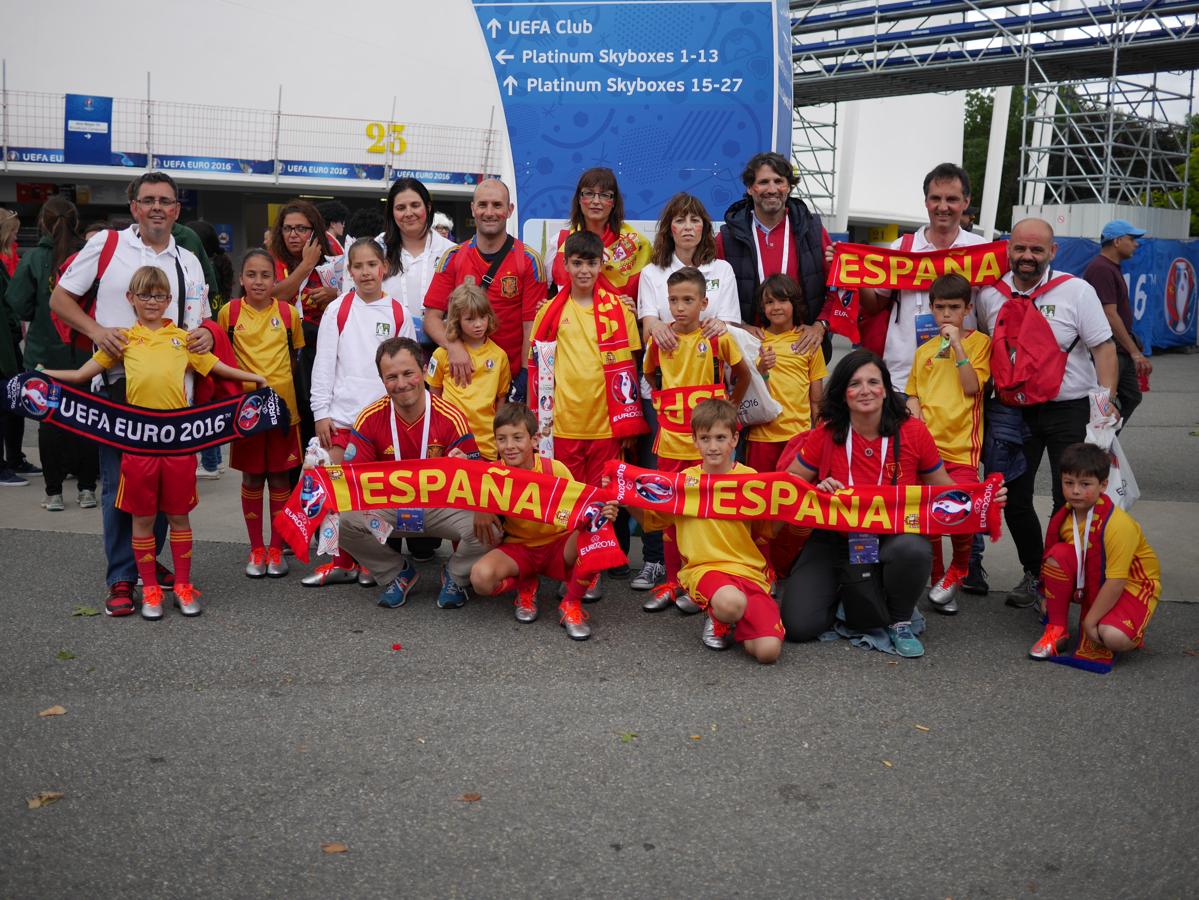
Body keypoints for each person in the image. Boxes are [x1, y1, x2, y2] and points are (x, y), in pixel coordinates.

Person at [42, 266, 265, 619]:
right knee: (142, 519)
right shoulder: (123, 339)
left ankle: (183, 586)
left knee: (179, 517)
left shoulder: (183, 338)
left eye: (159, 295)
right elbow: (84, 375)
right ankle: (148, 590)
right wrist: (42, 376)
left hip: (177, 447)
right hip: (138, 447)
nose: (152, 301)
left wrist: (255, 378)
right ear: (130, 299)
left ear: (169, 300)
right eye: (144, 295)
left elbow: (217, 367)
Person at [50, 171, 214, 616]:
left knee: (165, 488)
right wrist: (98, 331)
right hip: (118, 388)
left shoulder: (189, 259)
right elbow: (61, 300)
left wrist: (207, 337)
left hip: (175, 393)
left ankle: (149, 563)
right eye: (148, 200)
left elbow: (202, 317)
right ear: (135, 206)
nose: (157, 207)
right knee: (120, 485)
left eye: (166, 200)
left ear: (177, 209)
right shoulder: (106, 246)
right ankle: (122, 577)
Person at [782, 350, 975, 658]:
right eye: (855, 383)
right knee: (798, 626)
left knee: (912, 549)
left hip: (894, 537)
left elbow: (945, 491)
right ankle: (854, 598)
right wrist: (816, 487)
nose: (865, 390)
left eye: (873, 382)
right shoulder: (827, 432)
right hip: (836, 539)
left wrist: (983, 500)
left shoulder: (913, 432)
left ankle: (899, 619)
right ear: (843, 392)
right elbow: (787, 485)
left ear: (886, 389)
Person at [973, 218, 1118, 609]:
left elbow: (1104, 350)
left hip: (1067, 409)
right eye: (1020, 248)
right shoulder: (988, 294)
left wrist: (1103, 411)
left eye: (1037, 250)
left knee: (1066, 494)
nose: (1027, 257)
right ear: (1008, 250)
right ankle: (1036, 572)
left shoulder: (1077, 291)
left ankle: (1059, 575)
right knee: (1012, 494)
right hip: (1010, 409)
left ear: (1052, 252)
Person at [616, 399, 784, 664]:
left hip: (748, 573)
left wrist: (790, 510)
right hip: (705, 570)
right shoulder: (684, 483)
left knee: (768, 653)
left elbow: (767, 530)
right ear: (694, 440)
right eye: (705, 438)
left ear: (734, 439)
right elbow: (653, 522)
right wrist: (626, 499)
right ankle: (719, 616)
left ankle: (734, 621)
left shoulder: (751, 479)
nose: (713, 446)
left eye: (720, 437)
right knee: (732, 603)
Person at [529, 230, 645, 601]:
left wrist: (627, 422)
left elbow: (628, 371)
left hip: (604, 426)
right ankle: (568, 565)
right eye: (576, 263)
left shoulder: (618, 311)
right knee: (568, 500)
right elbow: (537, 371)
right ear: (565, 265)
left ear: (601, 265)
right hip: (561, 424)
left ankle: (590, 570)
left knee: (600, 502)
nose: (583, 270)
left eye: (591, 263)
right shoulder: (549, 311)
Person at [633, 191, 739, 593]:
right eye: (680, 221)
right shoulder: (652, 272)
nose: (688, 227)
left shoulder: (722, 269)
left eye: (695, 220)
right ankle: (657, 563)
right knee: (662, 485)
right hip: (665, 394)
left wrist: (717, 327)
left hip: (709, 399)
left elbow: (727, 325)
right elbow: (649, 326)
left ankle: (706, 563)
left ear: (705, 228)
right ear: (669, 228)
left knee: (708, 482)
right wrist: (656, 327)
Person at [336, 337, 487, 609]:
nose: (402, 383)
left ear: (424, 370)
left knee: (489, 525)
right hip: (390, 513)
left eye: (408, 373)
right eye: (391, 377)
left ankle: (454, 575)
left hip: (438, 511)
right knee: (344, 521)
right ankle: (397, 573)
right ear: (382, 380)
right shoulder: (369, 418)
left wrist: (466, 465)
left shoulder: (451, 416)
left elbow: (478, 480)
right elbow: (353, 483)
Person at [303, 238, 416, 587]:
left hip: (383, 423)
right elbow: (323, 365)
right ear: (348, 271)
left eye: (372, 265)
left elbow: (408, 369)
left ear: (384, 268)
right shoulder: (337, 310)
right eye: (358, 266)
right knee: (337, 495)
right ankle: (340, 562)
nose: (366, 272)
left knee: (374, 498)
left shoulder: (398, 312)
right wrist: (321, 413)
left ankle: (371, 562)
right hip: (342, 419)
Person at [642, 267, 751, 614]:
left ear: (704, 302)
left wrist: (730, 409)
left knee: (705, 514)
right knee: (672, 513)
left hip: (708, 449)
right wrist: (661, 401)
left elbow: (744, 374)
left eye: (688, 300)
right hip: (672, 443)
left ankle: (700, 580)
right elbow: (648, 373)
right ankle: (672, 581)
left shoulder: (717, 337)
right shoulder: (660, 339)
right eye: (673, 300)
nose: (680, 307)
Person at [857, 163, 988, 395]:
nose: (943, 207)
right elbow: (874, 304)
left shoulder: (982, 251)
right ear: (926, 201)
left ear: (966, 202)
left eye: (952, 199)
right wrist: (857, 273)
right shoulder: (901, 248)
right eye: (935, 198)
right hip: (904, 375)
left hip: (959, 373)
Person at [468, 403, 596, 640]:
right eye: (501, 439)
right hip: (519, 549)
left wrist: (605, 509)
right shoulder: (490, 474)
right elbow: (458, 486)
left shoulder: (554, 469)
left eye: (518, 438)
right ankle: (525, 584)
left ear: (534, 440)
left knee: (597, 530)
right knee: (480, 579)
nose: (509, 446)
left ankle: (571, 603)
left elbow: (583, 507)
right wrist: (479, 507)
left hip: (558, 544)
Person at [904, 273, 991, 615]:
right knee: (929, 519)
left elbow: (973, 387)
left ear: (968, 309)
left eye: (954, 308)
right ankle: (940, 579)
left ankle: (960, 569)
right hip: (927, 452)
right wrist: (913, 413)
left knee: (961, 512)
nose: (946, 315)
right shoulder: (923, 349)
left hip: (961, 449)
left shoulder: (979, 343)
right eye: (939, 308)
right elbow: (913, 392)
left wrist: (957, 345)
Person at [217, 248, 306, 578]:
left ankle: (275, 547)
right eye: (251, 274)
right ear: (241, 278)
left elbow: (295, 358)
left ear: (276, 280)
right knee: (252, 477)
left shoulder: (288, 314)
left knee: (281, 478)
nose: (258, 281)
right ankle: (256, 548)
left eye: (265, 275)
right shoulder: (230, 312)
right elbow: (223, 360)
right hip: (247, 415)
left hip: (284, 413)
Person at [1028, 443, 1160, 662]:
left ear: (1103, 485)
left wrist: (1089, 622)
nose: (1076, 491)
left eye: (1085, 484)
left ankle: (1133, 631)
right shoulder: (1064, 518)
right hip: (1094, 576)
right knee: (1057, 555)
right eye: (1068, 483)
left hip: (1132, 584)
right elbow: (1063, 561)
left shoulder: (1117, 525)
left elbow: (1116, 581)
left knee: (1112, 636)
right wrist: (1050, 596)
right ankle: (1057, 630)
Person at [6, 196, 99, 507]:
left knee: (50, 420)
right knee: (87, 419)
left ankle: (54, 493)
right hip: (87, 352)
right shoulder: (90, 256)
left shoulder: (33, 259)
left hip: (44, 353)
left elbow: (18, 303)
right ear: (76, 223)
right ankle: (87, 489)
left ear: (43, 223)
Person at [424, 179, 545, 402]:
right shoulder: (453, 258)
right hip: (462, 381)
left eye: (497, 205)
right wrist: (454, 346)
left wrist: (525, 377)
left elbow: (531, 327)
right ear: (473, 209)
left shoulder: (528, 260)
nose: (489, 212)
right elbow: (431, 318)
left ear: (509, 210)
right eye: (483, 205)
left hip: (506, 386)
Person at [716, 151, 831, 358]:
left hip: (801, 350)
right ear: (751, 189)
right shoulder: (727, 237)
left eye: (779, 181)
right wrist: (738, 326)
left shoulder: (812, 230)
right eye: (763, 182)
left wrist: (820, 325)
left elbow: (837, 288)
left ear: (788, 187)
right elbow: (713, 296)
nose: (772, 189)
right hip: (749, 349)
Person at [269, 200, 339, 448]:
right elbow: (272, 295)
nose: (293, 235)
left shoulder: (333, 262)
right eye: (287, 229)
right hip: (281, 355)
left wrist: (335, 294)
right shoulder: (273, 261)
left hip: (321, 355)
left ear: (315, 231)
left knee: (315, 424)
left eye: (301, 229)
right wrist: (306, 264)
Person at [745, 274, 827, 474]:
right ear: (762, 307)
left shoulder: (809, 341)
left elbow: (816, 399)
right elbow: (741, 385)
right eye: (769, 302)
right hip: (761, 437)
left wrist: (818, 433)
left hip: (798, 435)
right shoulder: (753, 340)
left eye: (783, 300)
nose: (776, 307)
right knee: (760, 497)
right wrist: (761, 369)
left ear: (795, 303)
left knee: (795, 498)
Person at [425, 280, 510, 461]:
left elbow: (500, 401)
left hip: (486, 443)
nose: (478, 324)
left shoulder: (499, 356)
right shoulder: (441, 355)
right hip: (450, 440)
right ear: (457, 320)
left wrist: (499, 436)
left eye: (483, 317)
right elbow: (433, 397)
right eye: (470, 319)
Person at [550, 167, 652, 308]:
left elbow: (647, 303)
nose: (596, 201)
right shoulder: (560, 242)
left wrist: (638, 311)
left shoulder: (637, 244)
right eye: (589, 194)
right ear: (579, 199)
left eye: (604, 195)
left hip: (620, 323)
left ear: (614, 201)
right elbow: (549, 294)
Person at [1083, 220, 1151, 428]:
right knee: (1104, 402)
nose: (1136, 244)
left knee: (1131, 397)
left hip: (1120, 347)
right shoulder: (1101, 269)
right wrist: (1135, 352)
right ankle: (1094, 448)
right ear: (1117, 241)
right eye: (1132, 239)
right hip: (1109, 348)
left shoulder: (1110, 267)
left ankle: (1104, 443)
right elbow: (1110, 315)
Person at [378, 179, 455, 350]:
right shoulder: (376, 250)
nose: (409, 213)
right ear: (391, 212)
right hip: (384, 352)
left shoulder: (451, 253)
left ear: (427, 208)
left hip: (440, 352)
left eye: (415, 205)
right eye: (400, 208)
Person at [188, 219, 234, 480]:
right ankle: (214, 460)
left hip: (204, 337)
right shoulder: (222, 263)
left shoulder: (201, 269)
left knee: (204, 402)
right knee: (212, 400)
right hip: (217, 335)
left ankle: (209, 461)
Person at [0, 208, 39, 486]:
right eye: (12, 231)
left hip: (10, 342)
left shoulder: (7, 259)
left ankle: (13, 458)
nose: (15, 237)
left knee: (13, 403)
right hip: (4, 344)